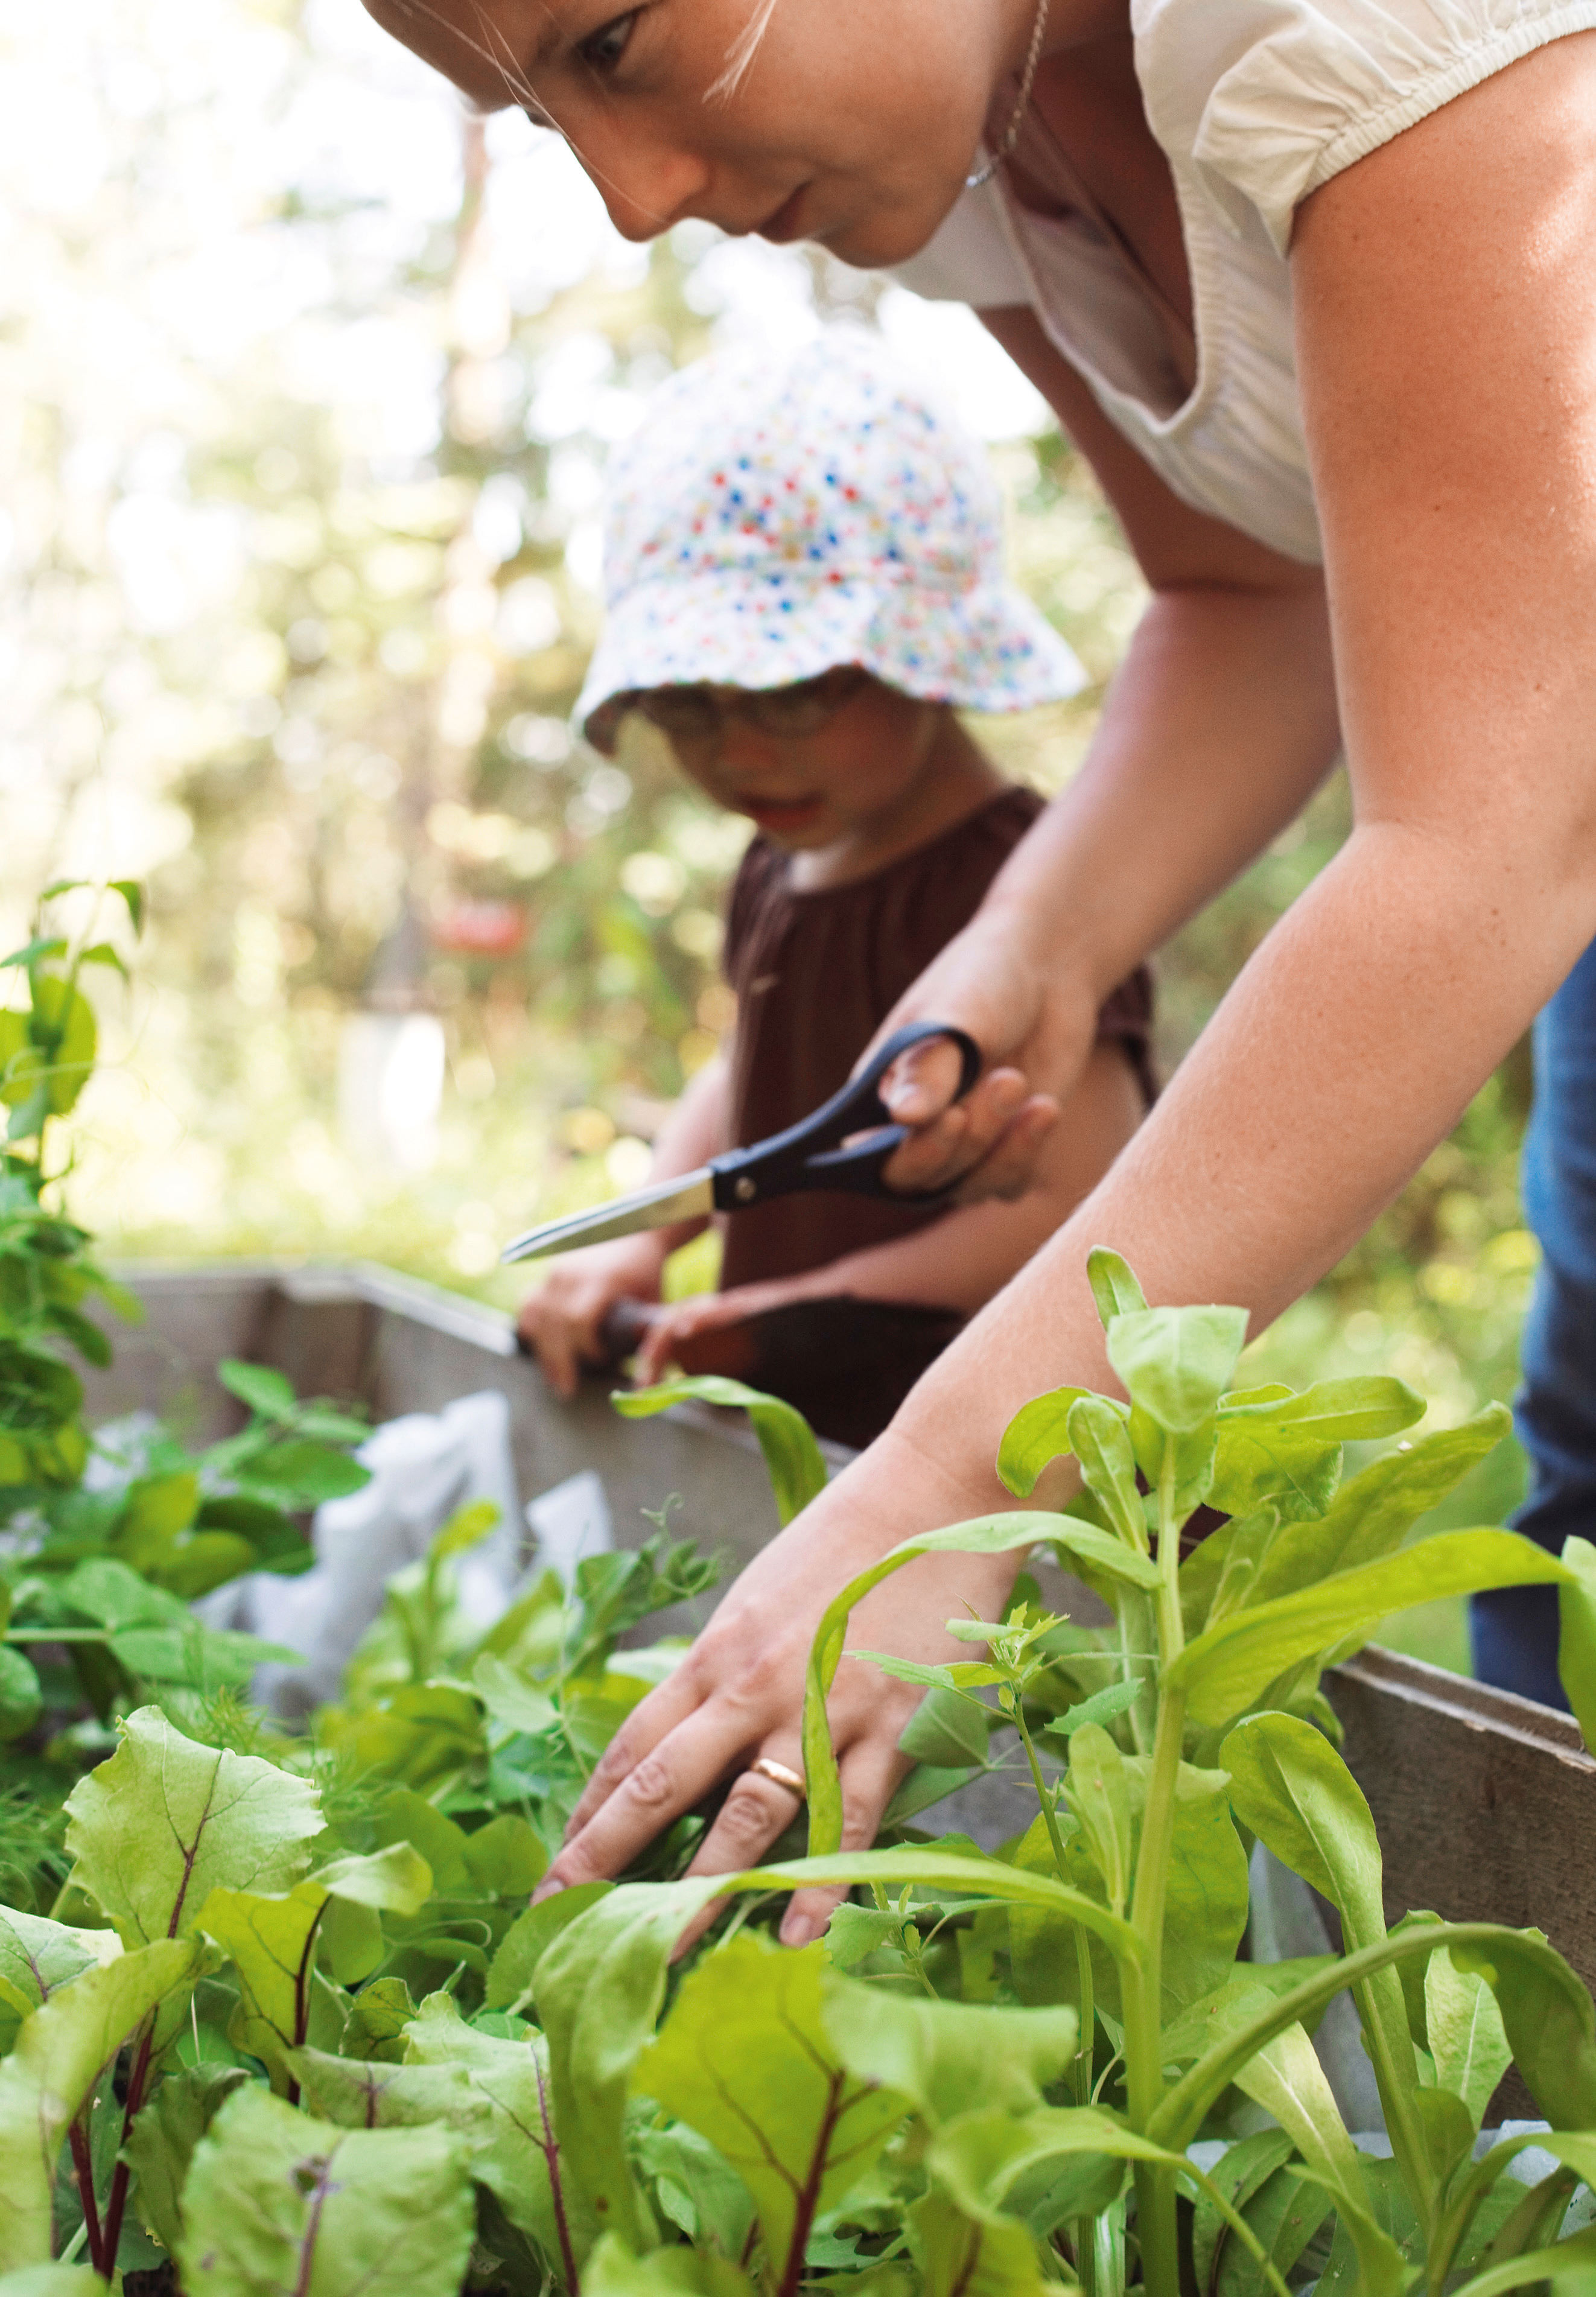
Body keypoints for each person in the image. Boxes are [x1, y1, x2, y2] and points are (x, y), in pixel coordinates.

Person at [363, 0, 1596, 1939]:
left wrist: (948, 1467)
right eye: (529, 115)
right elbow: (1242, 593)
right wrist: (1032, 939)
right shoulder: (975, 141)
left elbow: (1486, 839)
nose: (624, 197)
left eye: (610, 37)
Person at [515, 335, 1153, 1447]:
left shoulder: (1026, 889)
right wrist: (643, 1239)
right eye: (689, 705)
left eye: (796, 690)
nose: (740, 751)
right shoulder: (778, 862)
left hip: (981, 1457)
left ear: (924, 652)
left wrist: (799, 1310)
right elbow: (751, 1070)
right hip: (813, 1439)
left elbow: (1075, 1207)